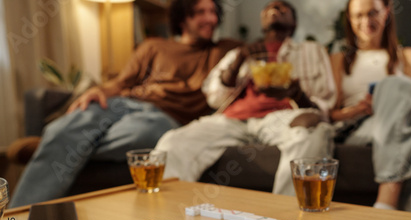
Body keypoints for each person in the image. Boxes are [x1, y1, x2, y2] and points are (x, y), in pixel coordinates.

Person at [9, 0, 241, 208]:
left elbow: (258, 54)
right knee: (60, 128)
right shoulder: (153, 46)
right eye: (201, 12)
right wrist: (99, 90)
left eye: (213, 12)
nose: (210, 18)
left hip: (164, 117)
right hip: (124, 103)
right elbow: (121, 82)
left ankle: (51, 147)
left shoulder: (224, 50)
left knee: (138, 136)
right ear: (183, 18)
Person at [155, 0, 336, 196]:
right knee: (173, 141)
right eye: (268, 8)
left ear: (294, 24)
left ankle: (289, 218)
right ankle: (166, 214)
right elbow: (213, 97)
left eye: (282, 8)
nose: (274, 10)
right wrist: (239, 59)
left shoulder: (311, 51)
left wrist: (296, 94)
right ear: (261, 21)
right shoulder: (239, 52)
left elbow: (325, 102)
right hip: (233, 120)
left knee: (314, 131)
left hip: (282, 117)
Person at [329, 0, 411, 216]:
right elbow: (331, 113)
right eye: (358, 15)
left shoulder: (408, 55)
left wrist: (388, 99)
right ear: (349, 18)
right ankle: (393, 202)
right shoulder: (339, 60)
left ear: (386, 12)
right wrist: (358, 108)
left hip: (406, 122)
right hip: (360, 127)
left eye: (373, 13)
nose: (366, 21)